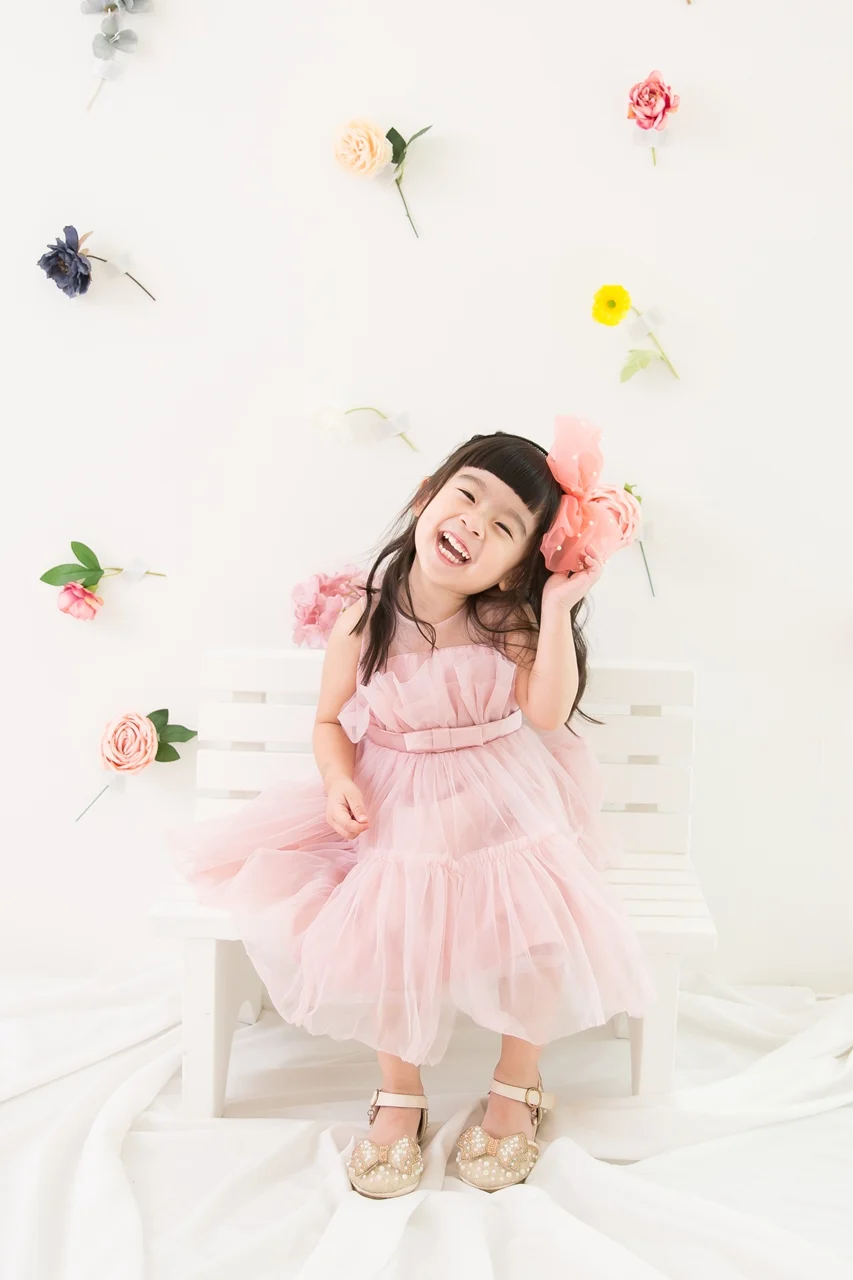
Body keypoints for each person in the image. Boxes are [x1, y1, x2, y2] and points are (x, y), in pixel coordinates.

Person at [165, 425, 657, 1199]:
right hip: (397, 797)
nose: (473, 524)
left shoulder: (506, 622)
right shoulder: (365, 618)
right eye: (467, 497)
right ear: (427, 496)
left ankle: (516, 1081)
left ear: (515, 566)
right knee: (389, 930)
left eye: (503, 527)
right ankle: (399, 1089)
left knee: (534, 928)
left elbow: (547, 711)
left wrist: (558, 605)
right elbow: (329, 720)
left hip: (498, 796)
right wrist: (337, 779)